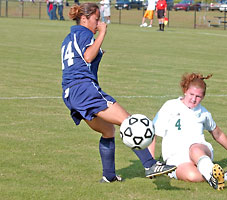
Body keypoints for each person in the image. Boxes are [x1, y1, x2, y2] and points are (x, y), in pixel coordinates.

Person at [60, 3, 176, 183]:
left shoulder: (69, 38)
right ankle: (150, 164)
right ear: (84, 19)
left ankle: (109, 176)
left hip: (70, 94)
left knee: (108, 130)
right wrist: (102, 33)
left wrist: (98, 53)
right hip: (84, 89)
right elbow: (88, 57)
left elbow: (82, 61)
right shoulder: (84, 33)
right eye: (96, 19)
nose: (98, 23)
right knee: (129, 121)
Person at [149, 73, 227, 191]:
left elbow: (218, 134)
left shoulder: (204, 113)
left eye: (198, 96)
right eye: (191, 94)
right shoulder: (170, 106)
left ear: (203, 97)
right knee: (192, 177)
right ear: (185, 91)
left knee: (194, 149)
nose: (194, 99)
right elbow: (153, 134)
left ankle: (210, 174)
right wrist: (151, 163)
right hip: (176, 157)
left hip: (200, 150)